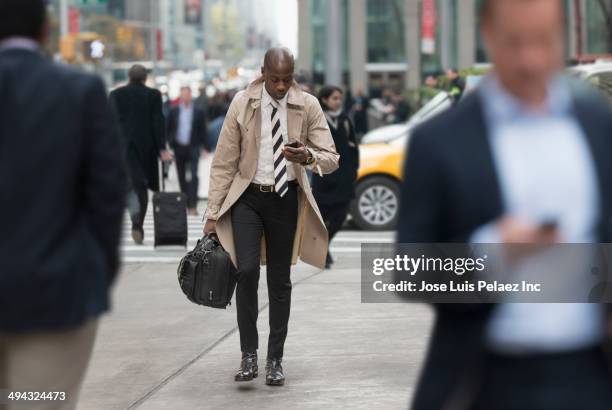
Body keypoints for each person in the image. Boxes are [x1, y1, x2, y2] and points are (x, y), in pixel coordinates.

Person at [397, 1, 612, 409]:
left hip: (592, 375)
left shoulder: (598, 126)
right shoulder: (438, 142)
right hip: (485, 380)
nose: (530, 60)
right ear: (487, 34)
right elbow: (409, 271)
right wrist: (489, 252)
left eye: (542, 41)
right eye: (514, 43)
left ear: (561, 34)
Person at [0, 1, 126, 408]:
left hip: (53, 290)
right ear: (45, 32)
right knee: (37, 401)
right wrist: (97, 272)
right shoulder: (79, 91)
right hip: (55, 293)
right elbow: (107, 195)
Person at [203, 47, 339, 386]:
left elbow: (331, 156)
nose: (280, 86)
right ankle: (248, 354)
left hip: (285, 198)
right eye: (274, 79)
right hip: (248, 198)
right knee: (245, 272)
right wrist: (211, 214)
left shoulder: (307, 104)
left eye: (287, 79)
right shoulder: (242, 103)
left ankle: (275, 359)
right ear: (263, 71)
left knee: (279, 281)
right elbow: (223, 163)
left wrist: (306, 156)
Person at [110, 65, 172, 244]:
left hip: (123, 149)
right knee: (142, 187)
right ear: (145, 79)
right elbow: (158, 122)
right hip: (147, 149)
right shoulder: (153, 95)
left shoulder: (116, 95)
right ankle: (138, 223)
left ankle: (136, 222)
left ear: (129, 77)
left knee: (131, 186)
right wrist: (162, 148)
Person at [312, 86, 359, 269]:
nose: (338, 101)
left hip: (344, 179)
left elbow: (353, 148)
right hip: (324, 178)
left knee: (340, 216)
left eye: (340, 98)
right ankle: (323, 251)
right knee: (322, 219)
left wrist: (353, 171)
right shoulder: (318, 120)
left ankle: (325, 246)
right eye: (334, 98)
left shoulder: (345, 120)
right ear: (324, 99)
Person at [167, 86, 209, 215]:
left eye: (187, 94)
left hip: (193, 146)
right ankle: (185, 203)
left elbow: (203, 129)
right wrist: (169, 144)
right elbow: (168, 128)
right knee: (181, 176)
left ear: (191, 96)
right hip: (179, 147)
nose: (185, 97)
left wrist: (206, 147)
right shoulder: (173, 111)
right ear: (180, 96)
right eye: (183, 94)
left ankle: (193, 205)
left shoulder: (198, 111)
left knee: (194, 175)